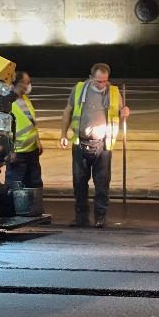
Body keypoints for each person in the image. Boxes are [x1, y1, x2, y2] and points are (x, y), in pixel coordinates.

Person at [60, 63, 129, 228]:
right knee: (79, 183)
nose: (101, 85)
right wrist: (63, 134)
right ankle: (81, 217)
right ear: (91, 78)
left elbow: (120, 113)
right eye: (98, 81)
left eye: (105, 81)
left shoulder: (113, 92)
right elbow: (68, 111)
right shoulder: (78, 90)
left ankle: (100, 217)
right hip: (80, 142)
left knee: (102, 183)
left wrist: (124, 112)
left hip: (103, 145)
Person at [6, 69, 43, 190]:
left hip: (32, 152)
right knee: (15, 189)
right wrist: (9, 151)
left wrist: (38, 141)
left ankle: (33, 209)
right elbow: (3, 130)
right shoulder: (7, 102)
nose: (28, 85)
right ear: (19, 83)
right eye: (26, 82)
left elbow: (31, 122)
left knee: (34, 186)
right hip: (17, 155)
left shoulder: (25, 98)